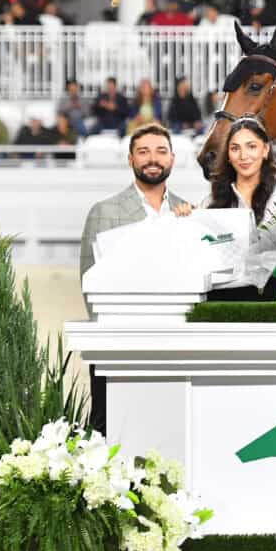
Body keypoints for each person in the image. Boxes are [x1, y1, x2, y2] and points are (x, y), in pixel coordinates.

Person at [79, 124, 189, 431]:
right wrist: (109, 335)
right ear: (130, 160)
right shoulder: (103, 211)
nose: (152, 158)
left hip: (172, 340)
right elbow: (89, 281)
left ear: (172, 159)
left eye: (160, 151)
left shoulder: (188, 213)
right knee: (110, 424)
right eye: (143, 152)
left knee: (167, 423)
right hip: (118, 339)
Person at [177, 117, 276, 301]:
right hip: (223, 298)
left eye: (251, 146)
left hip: (274, 297)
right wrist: (185, 217)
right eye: (235, 148)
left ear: (265, 150)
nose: (243, 156)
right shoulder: (211, 202)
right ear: (228, 156)